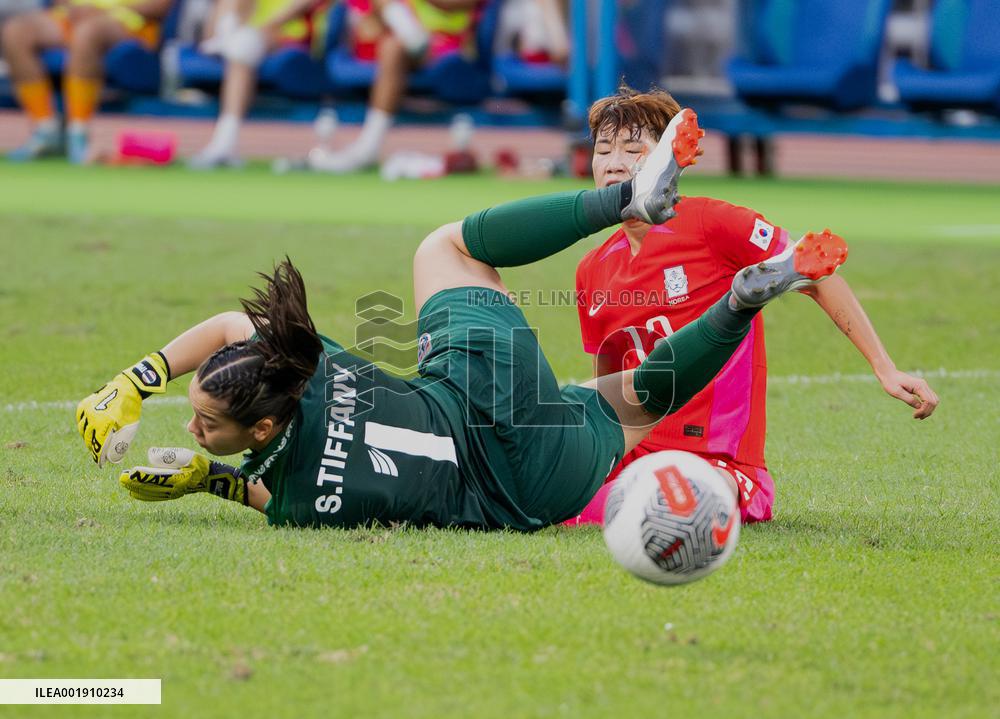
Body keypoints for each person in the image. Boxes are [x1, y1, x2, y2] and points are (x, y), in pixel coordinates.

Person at [76, 111, 847, 530]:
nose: (199, 424)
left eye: (206, 419)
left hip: (534, 492)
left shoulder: (310, 501)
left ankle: (739, 300)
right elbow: (224, 327)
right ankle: (626, 208)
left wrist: (209, 477)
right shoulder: (315, 365)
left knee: (634, 400)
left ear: (268, 432)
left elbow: (265, 497)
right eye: (205, 419)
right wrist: (134, 381)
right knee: (447, 244)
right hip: (479, 386)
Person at [569, 86, 939, 527]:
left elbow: (818, 272)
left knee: (680, 506)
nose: (613, 163)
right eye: (603, 150)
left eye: (633, 149)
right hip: (634, 450)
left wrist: (885, 366)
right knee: (547, 500)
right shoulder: (592, 270)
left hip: (717, 458)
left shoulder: (710, 223)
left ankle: (687, 498)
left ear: (666, 157)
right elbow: (607, 383)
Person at [306, 0, 480, 174]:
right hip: (399, 43)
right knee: (392, 46)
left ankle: (367, 149)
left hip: (448, 48)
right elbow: (367, 27)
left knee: (394, 45)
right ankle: (413, 36)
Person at [2, 0, 173, 163]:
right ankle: (46, 130)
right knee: (14, 32)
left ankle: (78, 133)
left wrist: (107, 12)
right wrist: (74, 9)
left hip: (131, 23)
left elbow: (159, 6)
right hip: (74, 17)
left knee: (86, 32)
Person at [189, 0, 325, 169]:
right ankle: (224, 144)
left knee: (243, 45)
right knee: (242, 44)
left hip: (294, 36)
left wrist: (268, 26)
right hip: (252, 34)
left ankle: (225, 143)